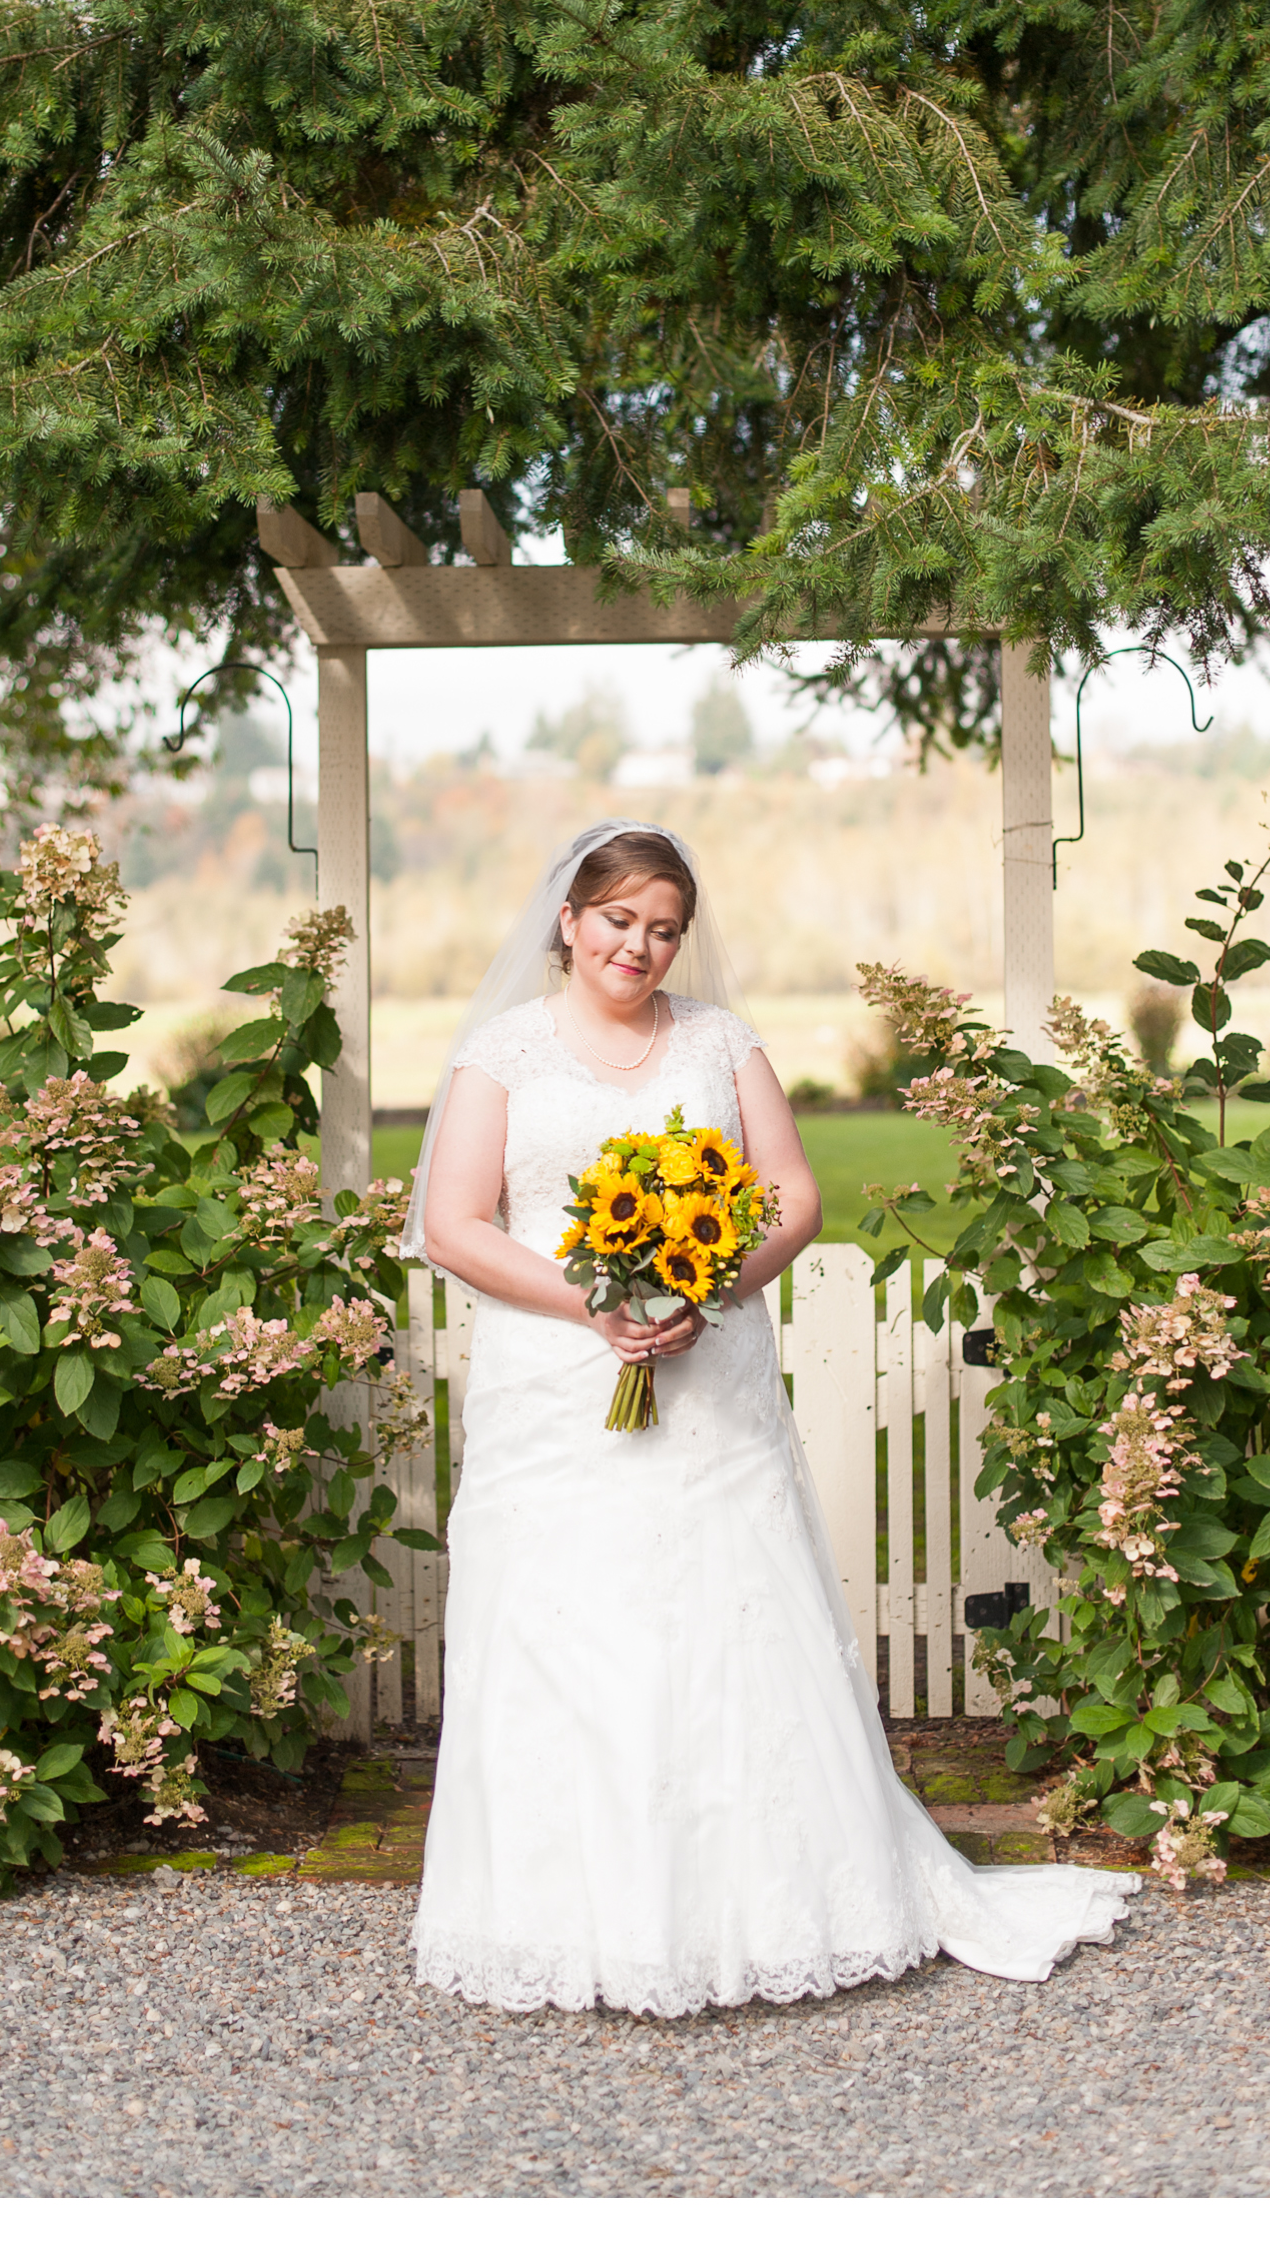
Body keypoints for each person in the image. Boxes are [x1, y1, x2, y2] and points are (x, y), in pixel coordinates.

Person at [402, 819, 1136, 2015]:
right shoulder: (502, 1054)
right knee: (564, 1627)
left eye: (664, 930)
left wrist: (709, 1283)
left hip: (710, 1372)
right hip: (553, 1385)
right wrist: (599, 1304)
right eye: (619, 921)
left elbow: (792, 1193)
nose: (639, 947)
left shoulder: (720, 1042)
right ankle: (566, 1916)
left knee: (723, 1618)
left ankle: (770, 1906)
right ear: (570, 921)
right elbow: (455, 1226)